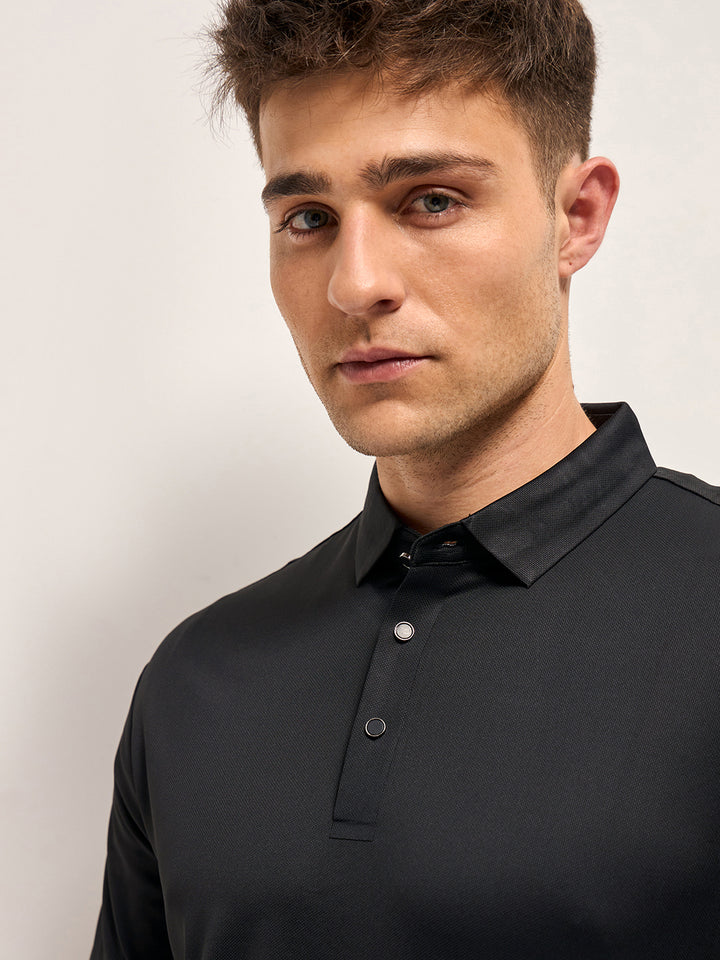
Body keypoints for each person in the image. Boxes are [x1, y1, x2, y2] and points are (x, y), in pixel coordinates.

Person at [90, 1, 720, 957]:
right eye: (308, 218)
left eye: (431, 200)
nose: (354, 284)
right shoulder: (196, 679)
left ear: (577, 216)